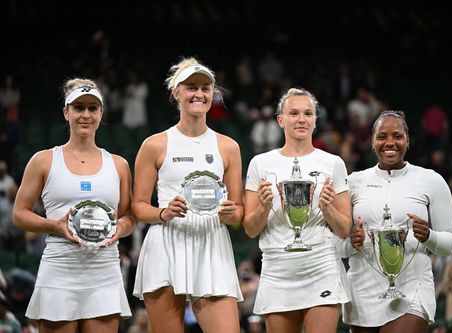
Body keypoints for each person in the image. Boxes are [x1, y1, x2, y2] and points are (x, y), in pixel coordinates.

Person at [12, 78, 135, 332]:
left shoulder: (119, 165)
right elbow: (19, 215)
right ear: (66, 112)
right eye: (79, 108)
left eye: (93, 108)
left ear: (101, 113)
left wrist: (120, 229)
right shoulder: (43, 161)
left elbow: (129, 217)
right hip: (59, 269)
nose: (86, 115)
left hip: (104, 271)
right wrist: (55, 226)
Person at [132, 57, 243, 333]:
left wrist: (232, 214)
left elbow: (238, 211)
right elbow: (137, 206)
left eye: (205, 88)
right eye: (191, 87)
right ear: (176, 93)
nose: (199, 94)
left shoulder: (228, 147)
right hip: (167, 241)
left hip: (212, 242)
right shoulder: (154, 144)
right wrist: (162, 212)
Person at [243, 87, 352, 333]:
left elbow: (344, 229)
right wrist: (263, 207)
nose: (301, 119)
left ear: (315, 120)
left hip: (321, 267)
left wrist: (328, 208)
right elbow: (251, 228)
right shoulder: (260, 164)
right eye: (294, 113)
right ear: (281, 120)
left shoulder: (333, 163)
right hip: (278, 271)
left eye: (308, 113)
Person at [341, 110, 452, 333]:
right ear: (372, 142)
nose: (390, 143)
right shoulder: (354, 182)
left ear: (408, 141)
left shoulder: (431, 180)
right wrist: (351, 241)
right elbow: (337, 246)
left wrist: (429, 236)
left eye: (397, 136)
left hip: (412, 290)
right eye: (382, 136)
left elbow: (449, 244)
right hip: (362, 291)